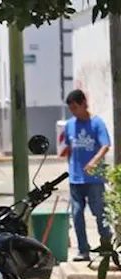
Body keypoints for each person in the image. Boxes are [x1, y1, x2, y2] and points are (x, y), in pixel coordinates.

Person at [61, 89, 113, 261]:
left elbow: (105, 145)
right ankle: (83, 250)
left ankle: (106, 246)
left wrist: (94, 162)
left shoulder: (97, 123)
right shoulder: (70, 125)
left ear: (84, 104)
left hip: (94, 179)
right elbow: (68, 148)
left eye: (76, 107)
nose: (74, 112)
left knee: (99, 213)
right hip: (76, 179)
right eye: (71, 109)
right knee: (76, 214)